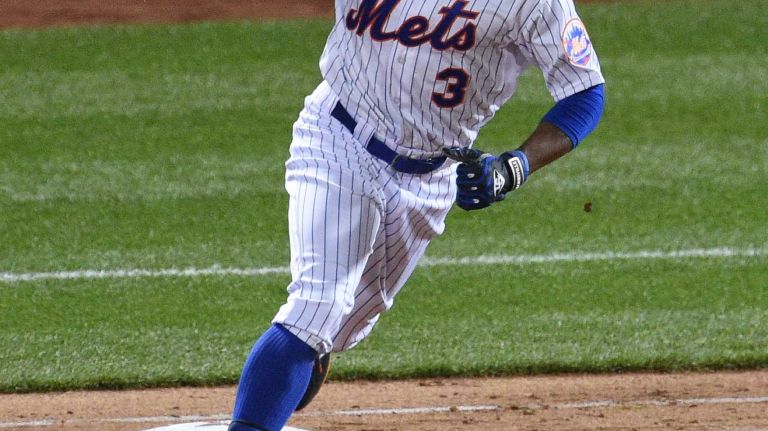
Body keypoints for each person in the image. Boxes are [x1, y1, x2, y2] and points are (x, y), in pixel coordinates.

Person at [229, 0, 605, 429]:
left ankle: (308, 355)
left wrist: (512, 167)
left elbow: (585, 91)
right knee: (316, 306)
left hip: (432, 179)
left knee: (337, 328)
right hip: (338, 138)